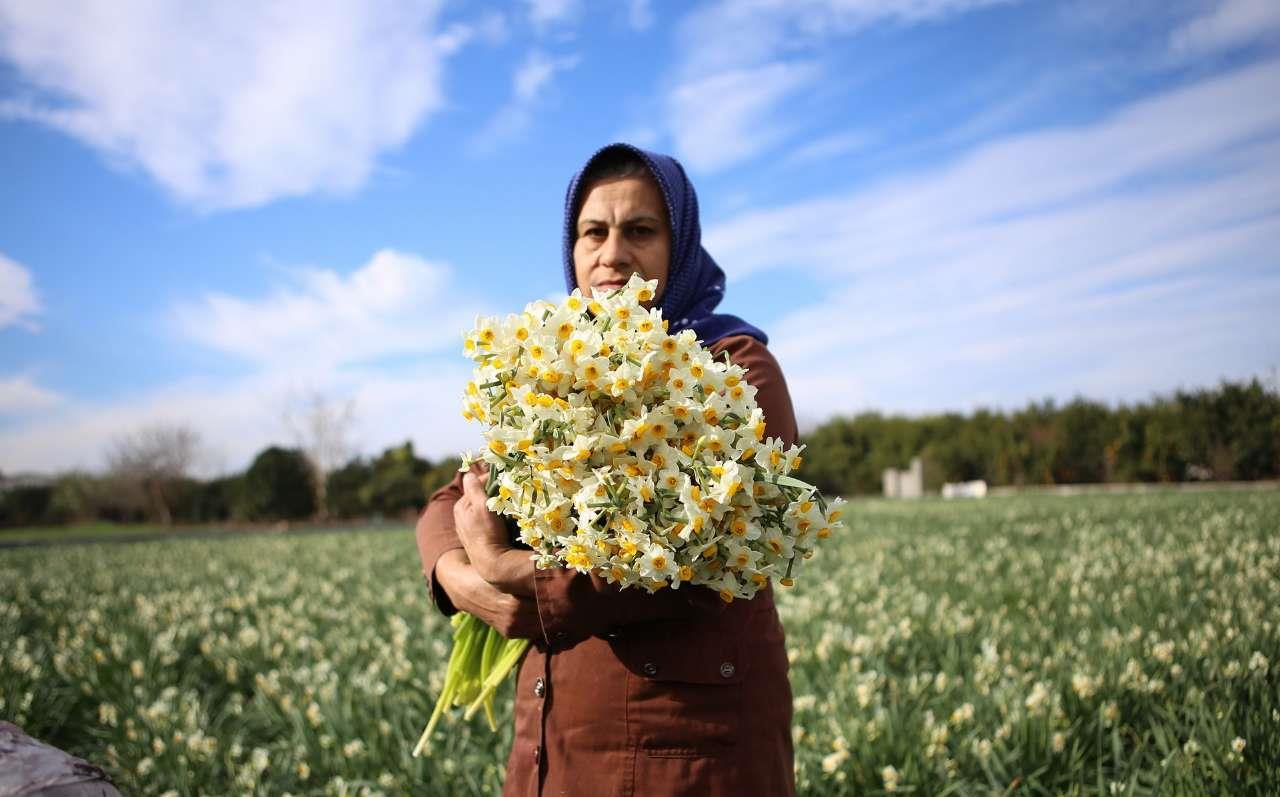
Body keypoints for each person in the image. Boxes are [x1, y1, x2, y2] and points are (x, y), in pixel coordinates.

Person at [415, 142, 799, 796]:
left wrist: (517, 578)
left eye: (641, 231)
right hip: (556, 742)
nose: (612, 253)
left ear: (680, 247)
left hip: (688, 754)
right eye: (593, 231)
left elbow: (699, 543)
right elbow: (455, 495)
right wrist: (460, 576)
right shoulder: (553, 363)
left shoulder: (734, 365)